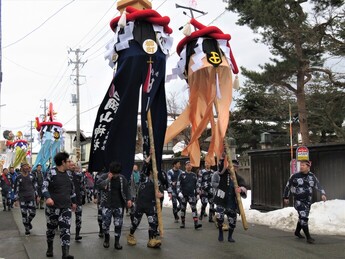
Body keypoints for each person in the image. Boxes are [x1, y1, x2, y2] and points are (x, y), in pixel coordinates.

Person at [42, 151, 76, 259]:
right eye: (68, 161)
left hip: (66, 207)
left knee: (65, 229)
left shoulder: (69, 174)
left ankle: (65, 254)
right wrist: (48, 197)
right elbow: (44, 187)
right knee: (51, 230)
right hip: (53, 207)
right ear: (63, 162)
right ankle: (50, 248)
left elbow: (72, 190)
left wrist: (74, 202)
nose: (70, 163)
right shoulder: (52, 172)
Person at [283, 160, 327, 244]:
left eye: (303, 165)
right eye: (300, 165)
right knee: (304, 217)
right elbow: (288, 186)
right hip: (298, 201)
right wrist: (286, 197)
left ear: (308, 166)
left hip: (308, 201)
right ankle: (308, 237)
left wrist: (323, 193)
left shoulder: (311, 176)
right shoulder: (295, 176)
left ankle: (297, 232)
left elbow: (318, 185)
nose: (301, 166)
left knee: (302, 217)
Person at [127, 156, 163, 248]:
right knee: (135, 222)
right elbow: (144, 165)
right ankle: (131, 235)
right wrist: (151, 155)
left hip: (151, 206)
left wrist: (160, 195)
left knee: (153, 223)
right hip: (140, 205)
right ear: (151, 171)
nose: (157, 172)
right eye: (155, 171)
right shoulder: (143, 177)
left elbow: (161, 193)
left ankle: (152, 240)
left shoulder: (158, 183)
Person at [96, 161, 132, 250]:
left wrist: (129, 199)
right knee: (105, 224)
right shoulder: (103, 176)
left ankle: (117, 242)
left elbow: (127, 189)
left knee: (118, 224)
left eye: (117, 174)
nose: (115, 175)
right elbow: (99, 185)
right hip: (106, 205)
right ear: (110, 171)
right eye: (114, 174)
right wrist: (108, 179)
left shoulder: (122, 178)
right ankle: (107, 239)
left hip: (118, 205)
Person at [212, 158, 247, 242]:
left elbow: (244, 187)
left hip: (232, 202)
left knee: (232, 221)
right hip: (222, 200)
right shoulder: (223, 174)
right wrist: (223, 157)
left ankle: (230, 236)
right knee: (220, 218)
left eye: (235, 167)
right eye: (232, 166)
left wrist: (240, 189)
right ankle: (220, 232)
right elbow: (220, 167)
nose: (233, 168)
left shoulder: (239, 178)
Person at [14, 162, 39, 236]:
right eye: (24, 166)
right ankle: (27, 229)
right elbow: (16, 188)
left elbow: (35, 186)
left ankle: (28, 222)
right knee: (24, 214)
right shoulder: (18, 177)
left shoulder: (32, 176)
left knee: (33, 213)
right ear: (21, 168)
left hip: (31, 197)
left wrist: (37, 196)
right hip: (22, 199)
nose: (26, 167)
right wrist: (16, 200)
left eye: (27, 166)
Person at [176, 160, 202, 229]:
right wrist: (179, 192)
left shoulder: (194, 175)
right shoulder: (181, 174)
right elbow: (178, 185)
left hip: (191, 195)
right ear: (185, 166)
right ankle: (182, 223)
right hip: (183, 195)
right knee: (183, 209)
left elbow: (196, 185)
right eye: (188, 165)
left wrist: (197, 193)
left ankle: (196, 223)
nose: (189, 166)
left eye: (190, 165)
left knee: (194, 209)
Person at [70, 162, 86, 241]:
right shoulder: (66, 175)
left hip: (78, 199)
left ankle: (77, 234)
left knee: (79, 218)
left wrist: (83, 197)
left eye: (75, 166)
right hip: (68, 200)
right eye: (72, 165)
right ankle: (66, 233)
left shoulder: (80, 176)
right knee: (67, 218)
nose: (74, 167)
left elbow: (82, 187)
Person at [93, 170, 105, 238]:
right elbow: (95, 185)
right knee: (100, 214)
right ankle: (101, 230)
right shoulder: (98, 174)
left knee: (107, 216)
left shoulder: (111, 172)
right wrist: (95, 197)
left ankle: (106, 229)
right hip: (100, 197)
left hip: (109, 198)